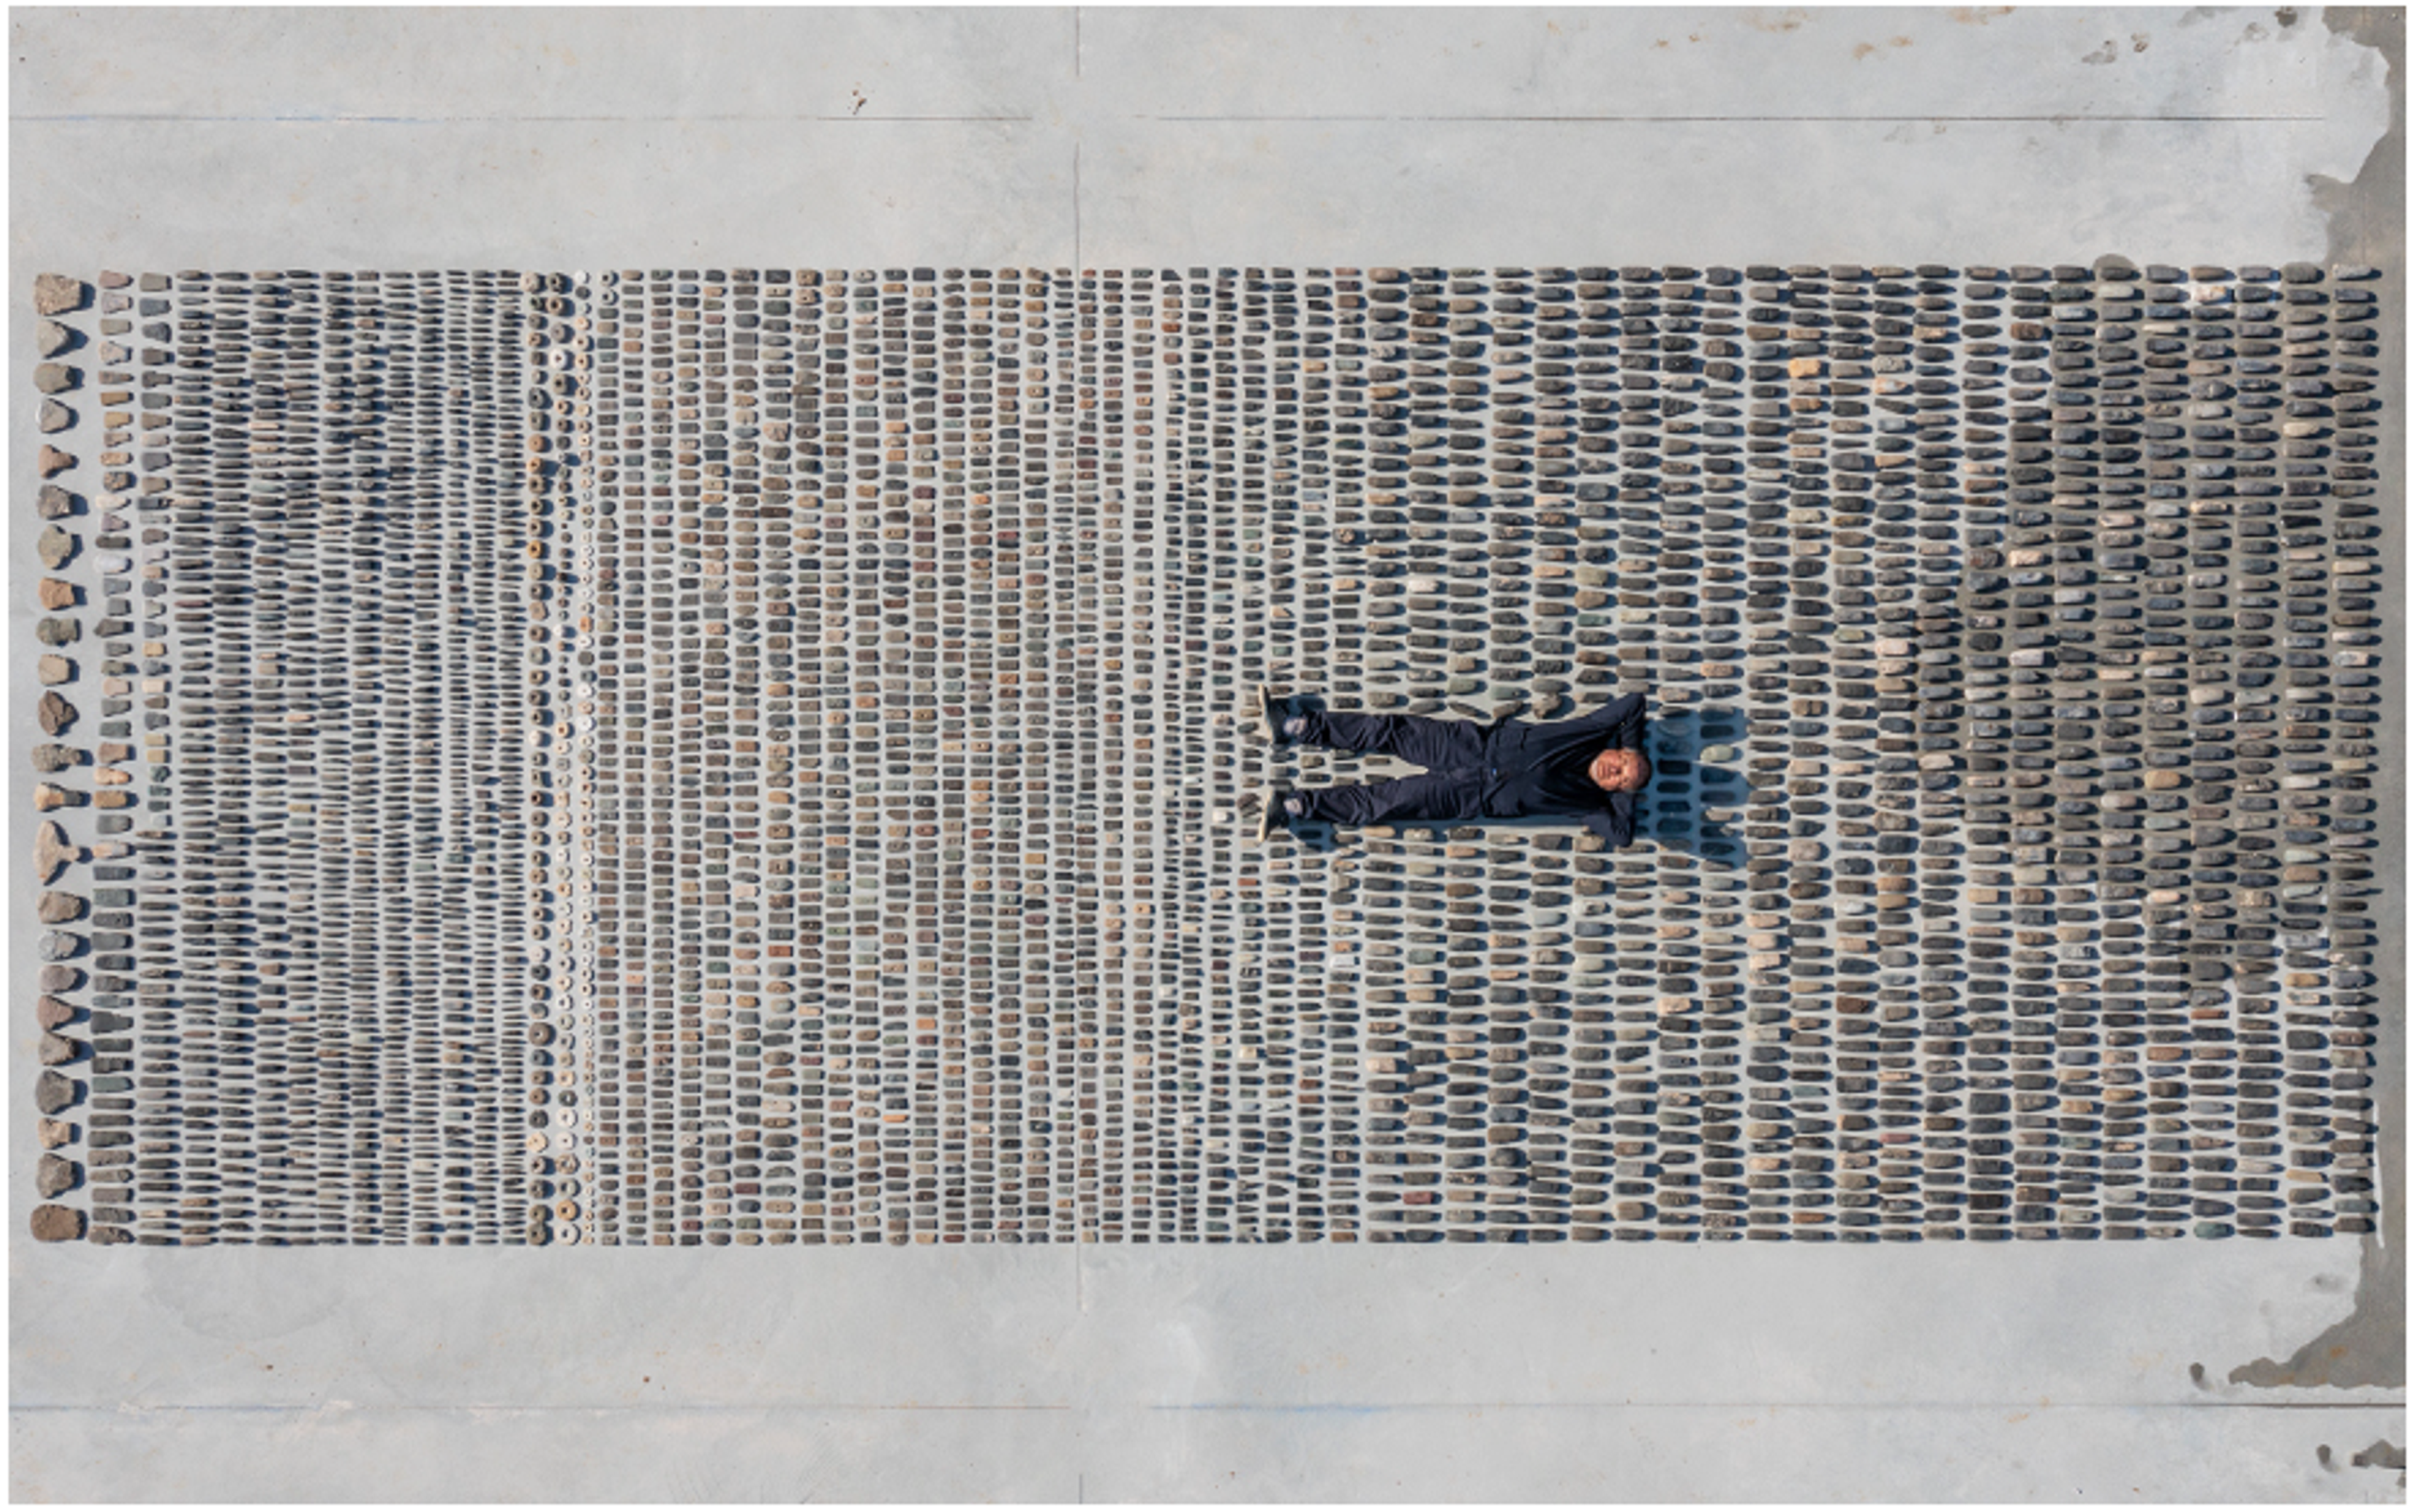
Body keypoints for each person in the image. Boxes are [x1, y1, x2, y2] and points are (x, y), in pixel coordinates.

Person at [1252, 685, 1652, 846]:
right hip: (1471, 747)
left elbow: (1622, 835)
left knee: (1386, 802)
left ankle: (1293, 808)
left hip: (1469, 796)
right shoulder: (1592, 734)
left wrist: (1626, 794)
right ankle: (1293, 726)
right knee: (1388, 731)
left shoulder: (1591, 804)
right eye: (1622, 764)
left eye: (1620, 781)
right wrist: (1632, 747)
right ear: (1618, 749)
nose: (1614, 772)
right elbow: (1634, 703)